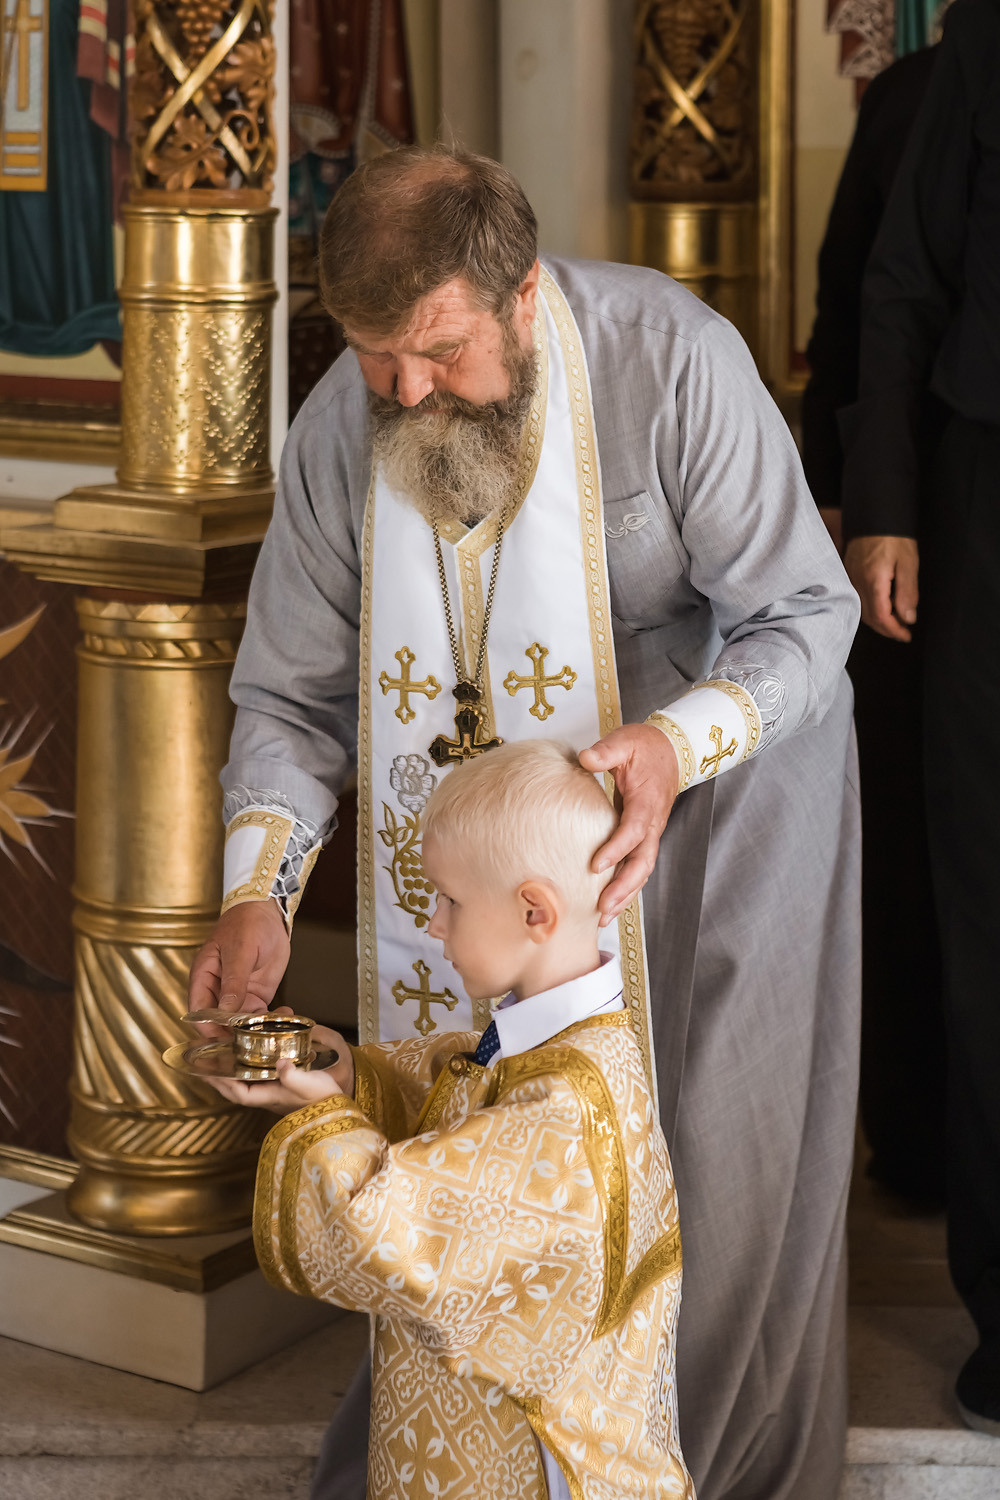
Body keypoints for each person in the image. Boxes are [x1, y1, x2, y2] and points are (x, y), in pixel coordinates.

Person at [190, 146, 861, 1500]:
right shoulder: (341, 424)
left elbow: (805, 613)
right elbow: (289, 694)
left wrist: (673, 746)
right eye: (376, 356)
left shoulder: (672, 360)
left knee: (709, 1155)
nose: (406, 392)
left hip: (717, 794)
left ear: (518, 293)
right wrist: (259, 888)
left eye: (439, 350)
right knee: (472, 1147)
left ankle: (686, 1469)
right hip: (485, 862)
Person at [211, 741, 693, 1500]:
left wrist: (323, 1119)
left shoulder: (570, 1110)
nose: (433, 923)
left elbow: (407, 1238)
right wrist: (349, 1074)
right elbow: (458, 1089)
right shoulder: (563, 1046)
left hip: (525, 1469)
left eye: (450, 901)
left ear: (534, 911)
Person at [840, 0, 1000, 1433]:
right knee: (989, 918)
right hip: (987, 506)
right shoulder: (984, 43)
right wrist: (884, 506)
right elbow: (900, 286)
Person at [801, 44, 948, 1210]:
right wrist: (847, 501)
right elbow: (852, 310)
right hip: (915, 530)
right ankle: (916, 1139)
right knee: (912, 832)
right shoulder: (917, 96)